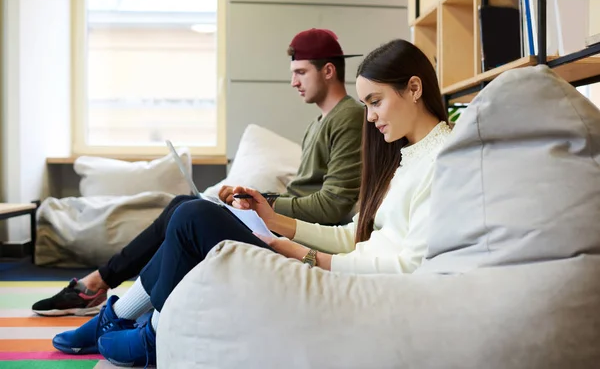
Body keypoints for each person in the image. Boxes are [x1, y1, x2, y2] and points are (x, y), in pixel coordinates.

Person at [53, 38, 452, 367]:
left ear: (414, 89)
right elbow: (355, 235)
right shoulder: (404, 158)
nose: (369, 117)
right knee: (187, 211)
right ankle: (129, 319)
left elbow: (406, 266)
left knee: (192, 215)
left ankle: (147, 328)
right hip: (330, 262)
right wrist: (275, 221)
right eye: (367, 105)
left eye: (376, 102)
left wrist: (306, 256)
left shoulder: (443, 161)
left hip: (341, 281)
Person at [32, 28, 365, 317]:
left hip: (299, 234)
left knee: (187, 211)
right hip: (281, 223)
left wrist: (266, 203)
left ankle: (103, 291)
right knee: (182, 205)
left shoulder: (349, 117)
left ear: (329, 71)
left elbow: (334, 206)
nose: (293, 82)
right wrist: (253, 200)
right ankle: (103, 288)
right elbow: (306, 194)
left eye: (301, 72)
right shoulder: (319, 122)